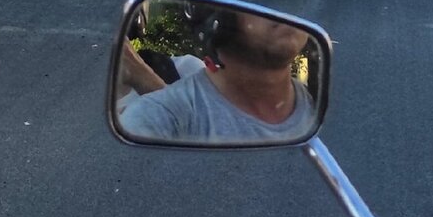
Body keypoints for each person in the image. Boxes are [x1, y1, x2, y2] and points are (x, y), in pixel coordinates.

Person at [119, 11, 317, 144]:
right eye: (261, 2)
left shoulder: (317, 100)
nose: (285, 10)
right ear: (217, 21)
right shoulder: (151, 115)